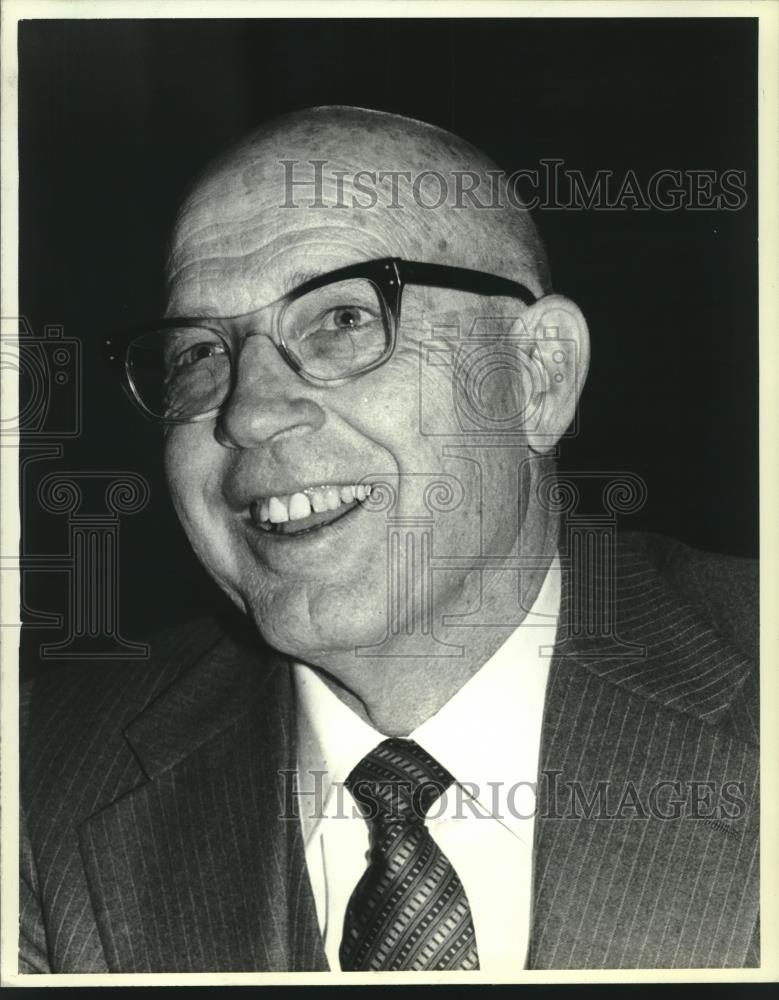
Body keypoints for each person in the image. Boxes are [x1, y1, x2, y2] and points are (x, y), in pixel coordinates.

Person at [20, 106, 759, 974]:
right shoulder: (38, 782)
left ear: (537, 376)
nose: (250, 411)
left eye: (341, 319)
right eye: (197, 354)